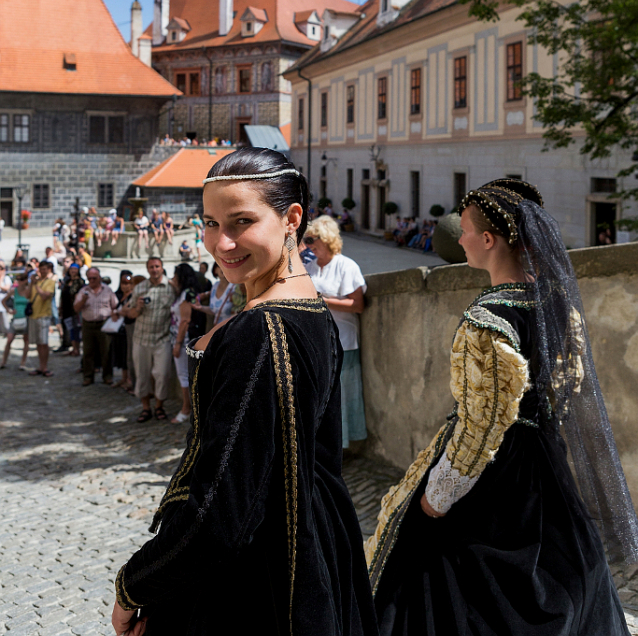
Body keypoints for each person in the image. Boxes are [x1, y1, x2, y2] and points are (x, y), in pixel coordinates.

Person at [112, 148, 378, 636]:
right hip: (317, 542)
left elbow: (221, 508)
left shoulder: (262, 330)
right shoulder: (312, 308)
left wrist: (135, 585)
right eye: (211, 223)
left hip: (263, 574)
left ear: (291, 217)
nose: (222, 242)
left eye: (241, 221)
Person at [367, 178, 638, 636]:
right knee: (556, 571)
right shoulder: (557, 304)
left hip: (499, 472)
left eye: (466, 230)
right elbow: (565, 389)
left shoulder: (487, 319)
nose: (462, 239)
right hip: (544, 461)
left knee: (452, 579)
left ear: (488, 240)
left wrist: (438, 496)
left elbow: (483, 423)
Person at [304, 215, 368, 449]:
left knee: (342, 396)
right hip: (316, 343)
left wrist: (323, 301)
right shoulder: (309, 267)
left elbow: (358, 305)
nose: (309, 245)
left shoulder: (346, 266)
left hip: (343, 342)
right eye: (307, 240)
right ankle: (322, 445)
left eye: (312, 239)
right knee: (320, 396)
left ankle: (343, 446)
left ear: (327, 238)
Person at [123, 257, 175, 424]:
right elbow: (130, 314)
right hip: (141, 338)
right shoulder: (140, 288)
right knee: (142, 375)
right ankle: (146, 408)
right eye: (151, 267)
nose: (154, 269)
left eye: (157, 266)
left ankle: (159, 406)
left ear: (162, 267)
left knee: (162, 374)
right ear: (147, 269)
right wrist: (137, 308)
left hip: (162, 338)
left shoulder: (171, 286)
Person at [168, 263, 203, 424]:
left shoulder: (186, 294)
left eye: (175, 275)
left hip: (184, 340)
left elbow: (185, 320)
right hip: (179, 337)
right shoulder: (183, 292)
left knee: (184, 375)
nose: (173, 278)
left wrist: (177, 343)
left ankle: (186, 408)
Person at [73, 267, 119, 386]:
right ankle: (88, 377)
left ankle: (107, 376)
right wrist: (83, 300)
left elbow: (115, 305)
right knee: (88, 351)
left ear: (99, 277)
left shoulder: (107, 290)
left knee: (106, 351)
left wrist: (114, 314)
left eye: (94, 278)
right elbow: (76, 308)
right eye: (90, 278)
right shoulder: (84, 291)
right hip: (88, 323)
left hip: (104, 323)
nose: (92, 280)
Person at [191, 261, 244, 334]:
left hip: (232, 331)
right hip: (218, 332)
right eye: (219, 266)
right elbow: (214, 310)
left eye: (225, 265)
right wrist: (201, 308)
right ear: (215, 270)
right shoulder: (215, 286)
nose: (222, 268)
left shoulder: (235, 287)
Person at [28, 260, 56, 377]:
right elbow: (28, 295)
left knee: (44, 342)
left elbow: (45, 296)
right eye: (41, 269)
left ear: (48, 270)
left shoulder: (50, 282)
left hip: (44, 315)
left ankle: (45, 367)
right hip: (34, 315)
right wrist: (31, 284)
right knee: (38, 343)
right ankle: (41, 366)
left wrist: (36, 285)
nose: (43, 271)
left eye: (45, 269)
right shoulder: (35, 283)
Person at [1, 269, 31, 370]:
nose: (20, 281)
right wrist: (9, 310)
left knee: (25, 341)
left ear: (26, 280)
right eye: (18, 279)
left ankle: (23, 362)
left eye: (22, 279)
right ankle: (3, 362)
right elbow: (3, 301)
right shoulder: (14, 291)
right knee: (9, 340)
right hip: (15, 318)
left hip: (26, 319)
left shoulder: (29, 291)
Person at [111, 270, 134, 392]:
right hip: (118, 330)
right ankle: (123, 378)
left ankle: (130, 380)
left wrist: (117, 312)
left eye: (128, 283)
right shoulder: (118, 295)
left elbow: (124, 311)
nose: (126, 285)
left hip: (129, 329)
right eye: (123, 283)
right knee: (121, 355)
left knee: (129, 355)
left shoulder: (133, 297)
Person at [59, 261, 85, 357]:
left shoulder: (80, 282)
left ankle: (77, 348)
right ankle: (71, 346)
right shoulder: (67, 281)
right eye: (71, 269)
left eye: (75, 269)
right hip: (66, 308)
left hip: (75, 309)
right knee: (69, 328)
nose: (73, 271)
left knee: (76, 329)